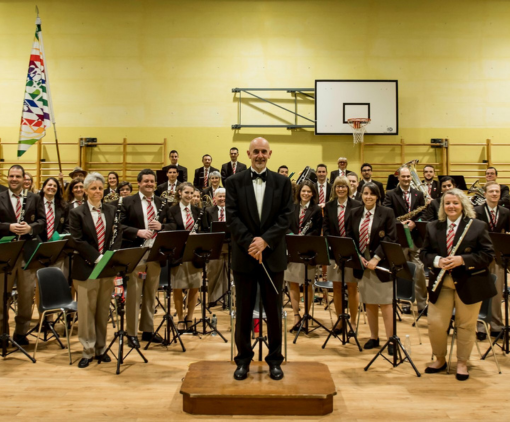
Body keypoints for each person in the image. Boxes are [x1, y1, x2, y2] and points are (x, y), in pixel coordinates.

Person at [226, 137, 293, 381]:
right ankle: (243, 360)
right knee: (243, 311)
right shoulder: (233, 182)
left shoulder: (283, 182)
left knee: (274, 311)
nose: (260, 155)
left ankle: (275, 360)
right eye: (256, 151)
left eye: (264, 151)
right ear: (248, 154)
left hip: (272, 256)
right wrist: (252, 244)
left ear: (270, 154)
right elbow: (232, 217)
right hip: (244, 256)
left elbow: (286, 216)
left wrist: (265, 241)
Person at [420, 188, 495, 381]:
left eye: (455, 203)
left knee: (465, 325)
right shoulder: (433, 226)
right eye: (447, 203)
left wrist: (463, 260)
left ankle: (462, 362)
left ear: (463, 205)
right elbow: (424, 254)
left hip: (469, 283)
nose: (451, 206)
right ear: (442, 206)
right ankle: (440, 359)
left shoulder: (477, 226)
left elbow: (488, 255)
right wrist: (437, 261)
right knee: (436, 324)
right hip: (441, 283)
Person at [69, 172, 122, 368]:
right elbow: (77, 240)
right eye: (93, 188)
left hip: (106, 269)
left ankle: (101, 348)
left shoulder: (111, 210)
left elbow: (117, 235)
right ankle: (87, 350)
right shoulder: (77, 213)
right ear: (85, 190)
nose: (97, 191)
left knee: (102, 311)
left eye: (100, 188)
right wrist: (98, 258)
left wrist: (109, 257)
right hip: (86, 268)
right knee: (86, 312)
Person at [120, 169, 172, 346]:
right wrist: (138, 232)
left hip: (155, 253)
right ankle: (131, 333)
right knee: (134, 294)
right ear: (139, 183)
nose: (149, 184)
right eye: (146, 181)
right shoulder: (127, 201)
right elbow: (119, 226)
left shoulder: (162, 202)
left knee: (151, 293)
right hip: (137, 253)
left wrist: (162, 227)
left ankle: (148, 330)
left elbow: (173, 224)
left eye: (152, 181)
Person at [347, 182, 397, 354]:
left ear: (378, 196)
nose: (368, 197)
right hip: (363, 264)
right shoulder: (354, 212)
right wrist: (358, 256)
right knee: (369, 302)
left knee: (385, 303)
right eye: (365, 193)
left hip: (381, 264)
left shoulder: (387, 213)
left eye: (372, 194)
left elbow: (391, 237)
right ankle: (374, 337)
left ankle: (391, 340)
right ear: (361, 195)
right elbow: (350, 237)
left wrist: (376, 258)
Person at [0, 165, 45, 345]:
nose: (14, 179)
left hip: (27, 254)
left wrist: (30, 228)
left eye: (17, 176)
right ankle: (2, 334)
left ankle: (21, 333)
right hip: (6, 254)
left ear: (23, 178)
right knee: (2, 296)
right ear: (8, 177)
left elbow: (42, 221)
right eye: (11, 176)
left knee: (26, 297)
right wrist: (8, 227)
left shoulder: (34, 198)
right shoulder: (0, 197)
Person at [383, 165, 428, 314]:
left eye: (408, 176)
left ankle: (422, 304)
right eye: (404, 176)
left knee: (419, 271)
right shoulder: (390, 194)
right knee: (402, 272)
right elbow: (387, 213)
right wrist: (399, 223)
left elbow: (425, 213)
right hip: (399, 238)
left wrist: (415, 222)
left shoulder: (418, 194)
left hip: (415, 239)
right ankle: (405, 303)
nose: (407, 179)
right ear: (398, 177)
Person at [323, 176, 362, 331]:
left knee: (352, 286)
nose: (341, 189)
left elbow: (358, 228)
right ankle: (340, 320)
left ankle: (353, 322)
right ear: (334, 189)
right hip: (334, 252)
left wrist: (348, 246)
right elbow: (326, 228)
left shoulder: (357, 205)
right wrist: (334, 245)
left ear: (348, 188)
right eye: (338, 186)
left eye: (343, 186)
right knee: (337, 286)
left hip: (352, 251)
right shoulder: (329, 206)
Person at [474, 181, 510, 339]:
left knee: (496, 293)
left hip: (498, 258)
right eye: (491, 191)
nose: (495, 194)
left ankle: (496, 325)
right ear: (485, 194)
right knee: (481, 291)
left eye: (497, 191)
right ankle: (481, 326)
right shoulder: (476, 211)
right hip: (480, 257)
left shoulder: (506, 212)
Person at [284, 181, 322, 331]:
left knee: (307, 283)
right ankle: (296, 315)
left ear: (313, 194)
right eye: (303, 191)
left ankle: (306, 314)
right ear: (299, 192)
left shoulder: (316, 209)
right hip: (292, 249)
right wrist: (293, 236)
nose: (305, 194)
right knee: (292, 282)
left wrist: (304, 238)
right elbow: (285, 226)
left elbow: (317, 230)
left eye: (309, 192)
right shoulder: (291, 207)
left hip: (307, 250)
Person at [166, 182, 203, 331]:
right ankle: (180, 318)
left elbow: (204, 230)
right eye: (186, 192)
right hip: (179, 254)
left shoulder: (198, 211)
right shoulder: (171, 210)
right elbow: (170, 230)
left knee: (194, 286)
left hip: (194, 253)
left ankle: (190, 317)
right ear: (180, 193)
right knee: (178, 287)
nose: (189, 196)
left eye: (192, 193)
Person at [203, 188, 229, 305]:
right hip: (214, 246)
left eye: (224, 196)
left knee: (230, 274)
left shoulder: (232, 211)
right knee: (213, 273)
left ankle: (228, 300)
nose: (222, 199)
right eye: (220, 196)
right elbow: (205, 228)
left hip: (230, 246)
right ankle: (213, 299)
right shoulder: (208, 211)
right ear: (215, 198)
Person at [38, 177, 68, 241]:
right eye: (49, 185)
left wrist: (58, 240)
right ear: (43, 187)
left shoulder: (63, 206)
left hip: (57, 243)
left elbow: (67, 226)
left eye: (55, 186)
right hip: (38, 242)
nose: (52, 187)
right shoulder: (36, 203)